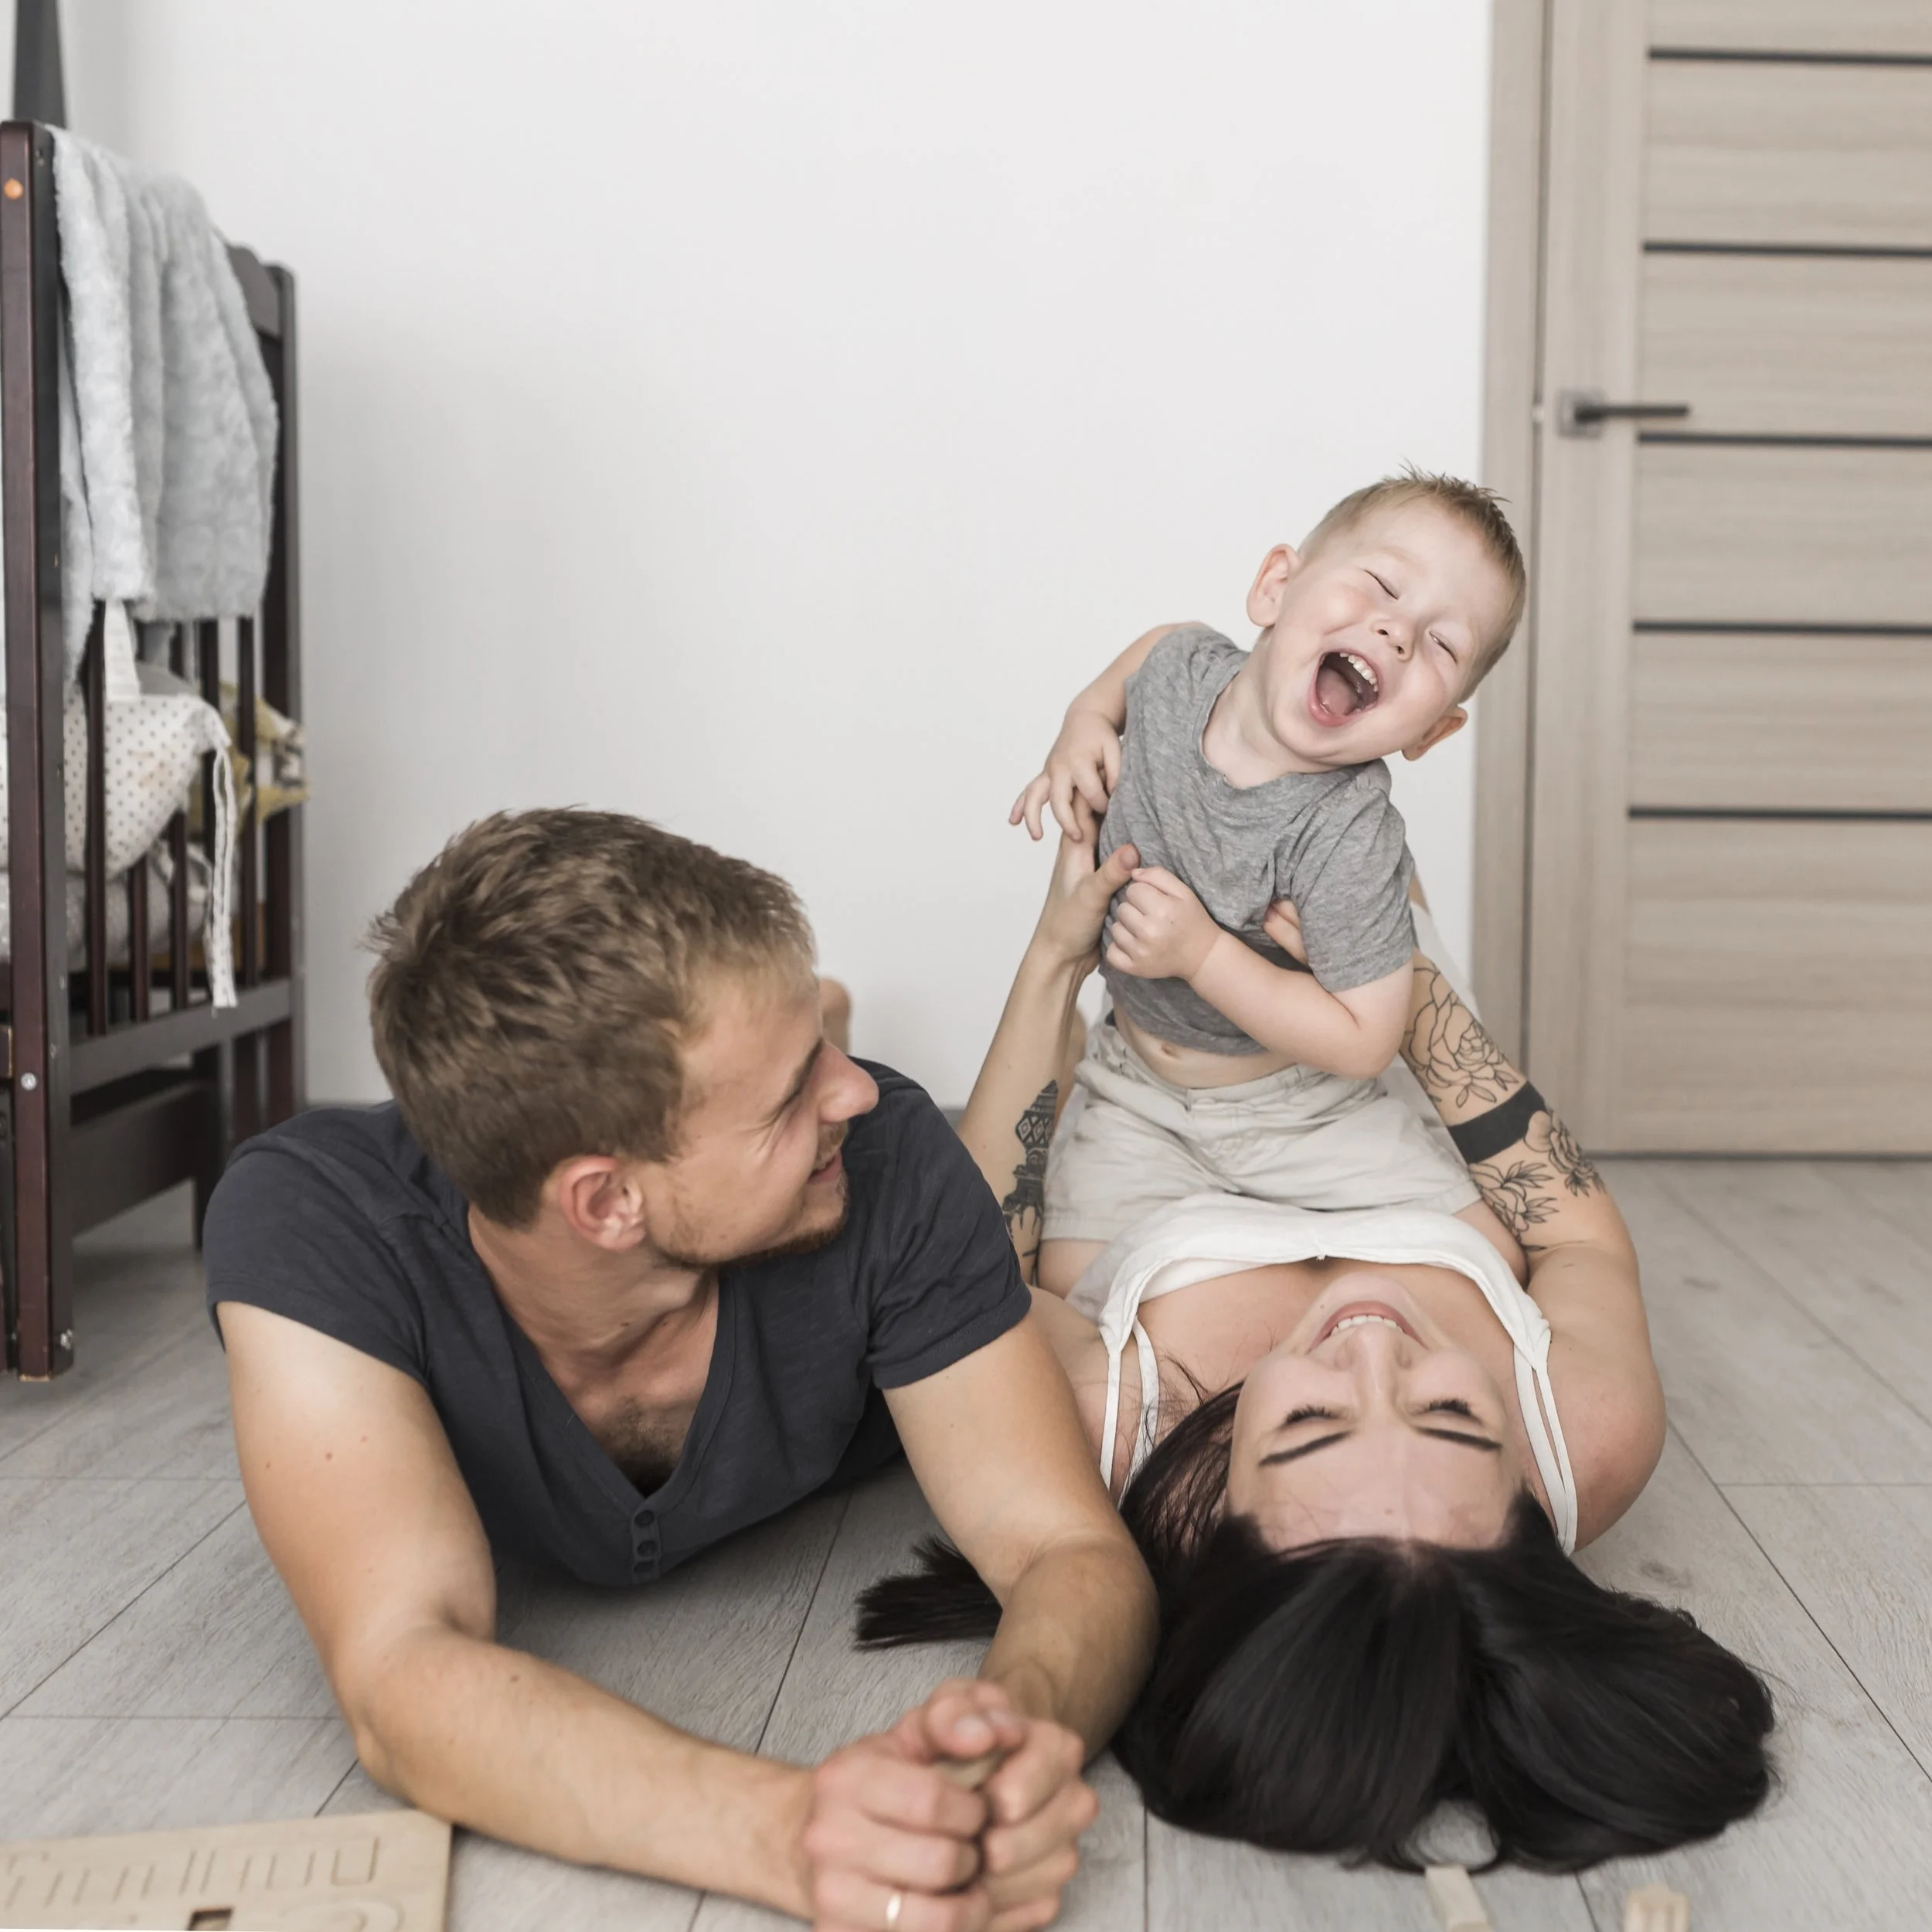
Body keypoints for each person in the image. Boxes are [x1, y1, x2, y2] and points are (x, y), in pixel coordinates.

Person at [202, 809, 1158, 1932]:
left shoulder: (890, 1152)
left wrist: (1005, 1746)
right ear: (607, 1203)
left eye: (822, 1055)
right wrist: (792, 1834)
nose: (853, 1094)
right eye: (797, 1089)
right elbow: (403, 1674)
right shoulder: (313, 1223)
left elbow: (1068, 1548)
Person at [860, 833, 1775, 1871]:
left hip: (1150, 1133)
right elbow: (1575, 1235)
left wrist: (1053, 961)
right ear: (1521, 1499)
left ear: (1224, 1521)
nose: (1370, 1343)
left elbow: (976, 1260)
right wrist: (1406, 983)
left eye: (1307, 1423)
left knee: (1196, 846)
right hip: (1394, 1113)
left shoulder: (1105, 1433)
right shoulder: (1588, 1436)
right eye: (1449, 1414)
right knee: (1350, 831)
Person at [1009, 471, 1529, 1291]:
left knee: (1485, 1263)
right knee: (1070, 1286)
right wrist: (1080, 726)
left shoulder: (1349, 830)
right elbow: (1140, 660)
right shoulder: (1178, 668)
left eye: (1441, 645)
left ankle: (1285, 1250)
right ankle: (1237, 1229)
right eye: (1384, 585)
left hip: (1297, 1107)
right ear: (1275, 587)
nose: (1397, 630)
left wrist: (1204, 954)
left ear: (1432, 729)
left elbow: (1365, 1038)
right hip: (1136, 1084)